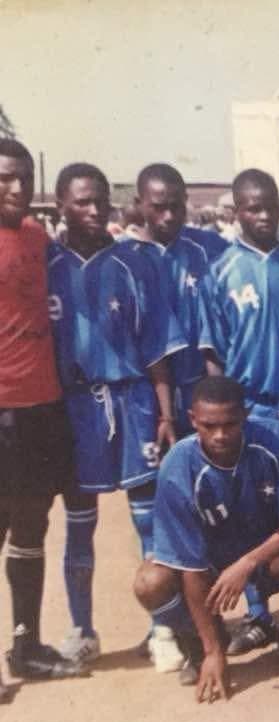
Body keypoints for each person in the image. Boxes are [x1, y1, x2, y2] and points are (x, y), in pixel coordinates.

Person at [47, 162, 185, 668]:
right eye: (82, 201)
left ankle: (162, 628)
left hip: (133, 402)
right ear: (60, 203)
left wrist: (166, 413)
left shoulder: (133, 263)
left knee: (148, 520)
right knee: (79, 523)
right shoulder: (49, 265)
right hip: (74, 406)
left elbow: (155, 347)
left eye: (101, 200)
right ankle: (82, 629)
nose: (93, 209)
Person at [132, 376, 279, 698]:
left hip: (267, 560)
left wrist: (247, 563)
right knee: (149, 582)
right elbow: (189, 566)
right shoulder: (178, 467)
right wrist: (213, 652)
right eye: (209, 426)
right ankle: (202, 641)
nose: (220, 434)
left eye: (230, 424)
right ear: (193, 420)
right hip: (211, 571)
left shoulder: (276, 440)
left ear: (245, 415)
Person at [200, 168, 279, 656]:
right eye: (253, 207)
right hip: (250, 407)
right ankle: (258, 615)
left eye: (271, 206)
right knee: (255, 513)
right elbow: (214, 356)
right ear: (236, 211)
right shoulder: (221, 271)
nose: (264, 215)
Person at [0, 138, 84, 689]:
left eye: (24, 178)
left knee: (33, 525)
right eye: (5, 178)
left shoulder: (35, 237)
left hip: (42, 404)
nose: (16, 188)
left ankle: (25, 645)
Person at [131, 163, 230, 437]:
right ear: (140, 204)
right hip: (145, 395)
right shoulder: (124, 256)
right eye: (159, 207)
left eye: (176, 206)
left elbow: (256, 252)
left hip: (200, 387)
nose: (169, 216)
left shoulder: (209, 246)